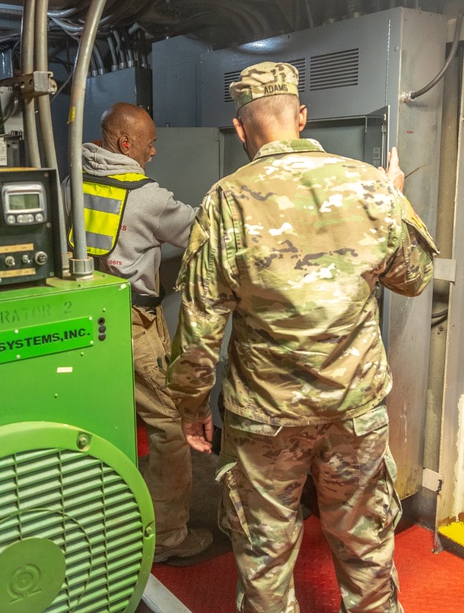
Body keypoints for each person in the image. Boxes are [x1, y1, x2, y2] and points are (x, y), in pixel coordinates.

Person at [167, 62, 437, 611]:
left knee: (264, 553)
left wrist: (193, 405)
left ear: (240, 130)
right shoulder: (368, 185)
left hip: (264, 417)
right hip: (352, 409)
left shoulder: (226, 200)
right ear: (302, 116)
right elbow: (414, 279)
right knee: (365, 543)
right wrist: (394, 198)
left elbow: (199, 327)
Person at [70, 102, 213, 564]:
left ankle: (103, 520)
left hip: (83, 321)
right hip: (134, 325)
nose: (154, 151)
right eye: (149, 143)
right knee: (170, 426)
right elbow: (201, 234)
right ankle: (168, 535)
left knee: (104, 422)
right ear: (125, 143)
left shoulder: (73, 177)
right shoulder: (146, 196)